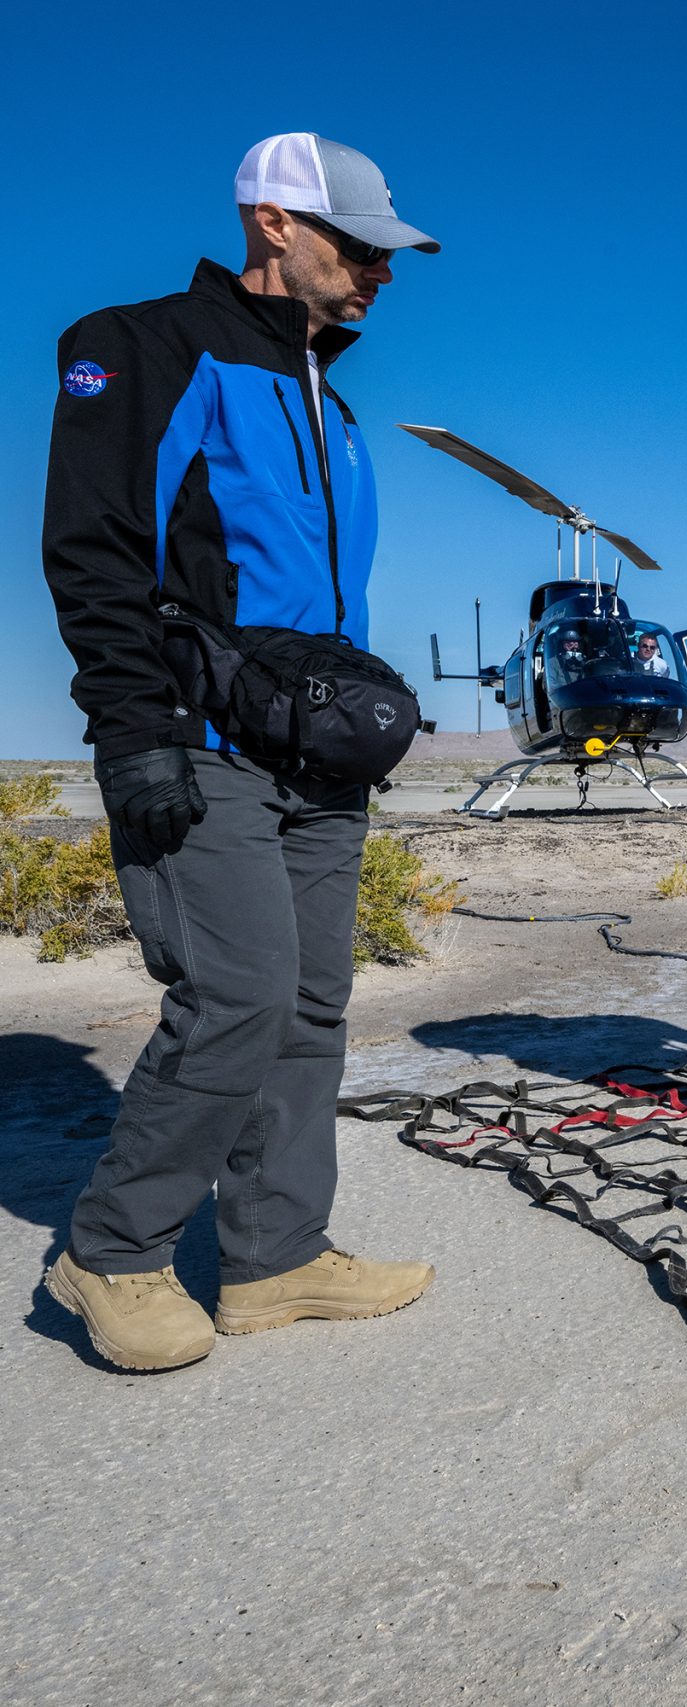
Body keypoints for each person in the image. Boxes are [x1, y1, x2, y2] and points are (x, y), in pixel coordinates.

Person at [39, 133, 442, 1372]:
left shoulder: (333, 395)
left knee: (315, 1004)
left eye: (389, 254)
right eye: (359, 246)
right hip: (197, 739)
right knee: (238, 995)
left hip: (317, 755)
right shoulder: (141, 345)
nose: (380, 271)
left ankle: (275, 1259)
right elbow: (96, 552)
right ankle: (112, 1251)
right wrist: (135, 737)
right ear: (277, 221)